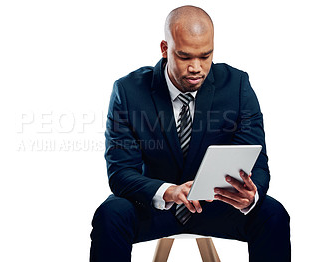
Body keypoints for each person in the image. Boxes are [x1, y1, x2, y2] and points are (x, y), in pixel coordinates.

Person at [90, 5, 290, 262]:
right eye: (185, 57)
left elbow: (258, 165)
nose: (196, 67)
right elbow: (120, 173)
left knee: (273, 213)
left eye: (205, 56)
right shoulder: (128, 91)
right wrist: (169, 191)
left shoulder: (237, 85)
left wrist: (250, 197)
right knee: (110, 214)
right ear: (165, 49)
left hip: (217, 206)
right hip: (155, 206)